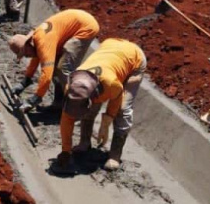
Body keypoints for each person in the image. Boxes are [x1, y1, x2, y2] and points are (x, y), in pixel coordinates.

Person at [51, 38, 147, 175]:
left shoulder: (111, 84)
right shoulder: (71, 87)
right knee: (89, 111)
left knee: (123, 109)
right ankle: (84, 143)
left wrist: (106, 123)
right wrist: (66, 150)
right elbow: (66, 119)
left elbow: (116, 99)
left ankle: (115, 155)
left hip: (134, 59)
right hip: (109, 47)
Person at [9, 9, 99, 112]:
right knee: (56, 69)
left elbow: (47, 74)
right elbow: (35, 58)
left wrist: (36, 98)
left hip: (86, 28)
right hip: (74, 25)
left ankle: (77, 105)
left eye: (25, 54)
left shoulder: (44, 42)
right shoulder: (35, 40)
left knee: (63, 69)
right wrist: (25, 81)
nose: (27, 57)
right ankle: (58, 105)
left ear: (28, 44)